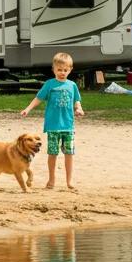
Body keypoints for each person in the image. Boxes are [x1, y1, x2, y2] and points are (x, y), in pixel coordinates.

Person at [21, 51, 84, 190]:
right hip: (53, 127)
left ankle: (69, 181)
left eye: (65, 70)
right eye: (59, 70)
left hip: (68, 127)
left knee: (69, 154)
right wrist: (28, 109)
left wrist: (78, 109)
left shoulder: (72, 85)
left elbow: (77, 101)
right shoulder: (49, 84)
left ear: (70, 70)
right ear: (53, 69)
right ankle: (51, 180)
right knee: (53, 154)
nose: (62, 72)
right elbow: (39, 98)